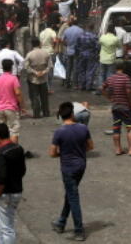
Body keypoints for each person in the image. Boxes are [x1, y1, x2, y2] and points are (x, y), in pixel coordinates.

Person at [50, 101, 92, 241]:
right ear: (72, 114)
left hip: (68, 168)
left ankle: (79, 230)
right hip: (81, 165)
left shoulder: (59, 132)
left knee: (73, 197)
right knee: (70, 193)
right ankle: (61, 222)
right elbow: (90, 146)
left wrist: (63, 154)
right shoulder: (83, 128)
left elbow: (52, 153)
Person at [0, 121, 26, 244]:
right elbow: (23, 170)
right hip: (17, 191)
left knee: (7, 228)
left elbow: (2, 176)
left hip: (5, 194)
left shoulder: (1, 153)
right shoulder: (18, 148)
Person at [101, 60, 131, 157]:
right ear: (123, 67)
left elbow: (102, 88)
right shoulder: (126, 78)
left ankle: (118, 149)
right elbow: (128, 92)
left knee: (116, 128)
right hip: (125, 107)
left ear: (115, 67)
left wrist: (109, 97)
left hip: (115, 107)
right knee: (130, 128)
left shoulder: (110, 78)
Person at [0, 58, 26, 146]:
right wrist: (23, 107)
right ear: (11, 68)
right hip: (11, 108)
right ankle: (13, 152)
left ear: (2, 68)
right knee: (13, 130)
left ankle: (1, 151)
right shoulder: (14, 79)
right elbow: (18, 93)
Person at [24, 37, 51, 120]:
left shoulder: (29, 54)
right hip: (43, 78)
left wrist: (35, 72)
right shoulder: (46, 53)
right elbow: (50, 66)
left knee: (34, 96)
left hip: (33, 79)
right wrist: (43, 72)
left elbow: (26, 67)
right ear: (39, 43)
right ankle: (46, 112)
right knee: (44, 96)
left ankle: (37, 113)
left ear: (32, 44)